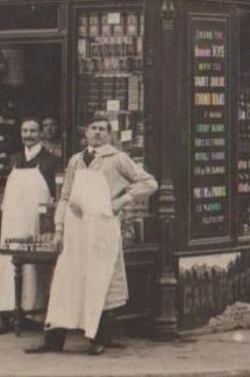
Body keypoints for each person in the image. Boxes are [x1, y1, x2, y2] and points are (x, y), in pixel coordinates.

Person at [27, 116, 157, 355]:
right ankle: (54, 340)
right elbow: (65, 196)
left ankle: (98, 339)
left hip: (102, 230)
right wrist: (58, 229)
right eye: (93, 129)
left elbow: (150, 183)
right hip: (76, 230)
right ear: (86, 133)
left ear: (109, 135)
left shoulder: (118, 159)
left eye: (102, 129)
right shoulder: (76, 160)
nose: (97, 133)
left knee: (100, 283)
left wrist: (122, 200)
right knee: (65, 283)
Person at [0, 117, 61, 335]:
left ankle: (33, 313)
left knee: (35, 268)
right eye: (24, 131)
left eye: (32, 131)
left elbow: (57, 196)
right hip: (12, 221)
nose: (28, 135)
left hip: (36, 223)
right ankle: (6, 312)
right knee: (7, 264)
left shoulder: (51, 161)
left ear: (41, 133)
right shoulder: (13, 160)